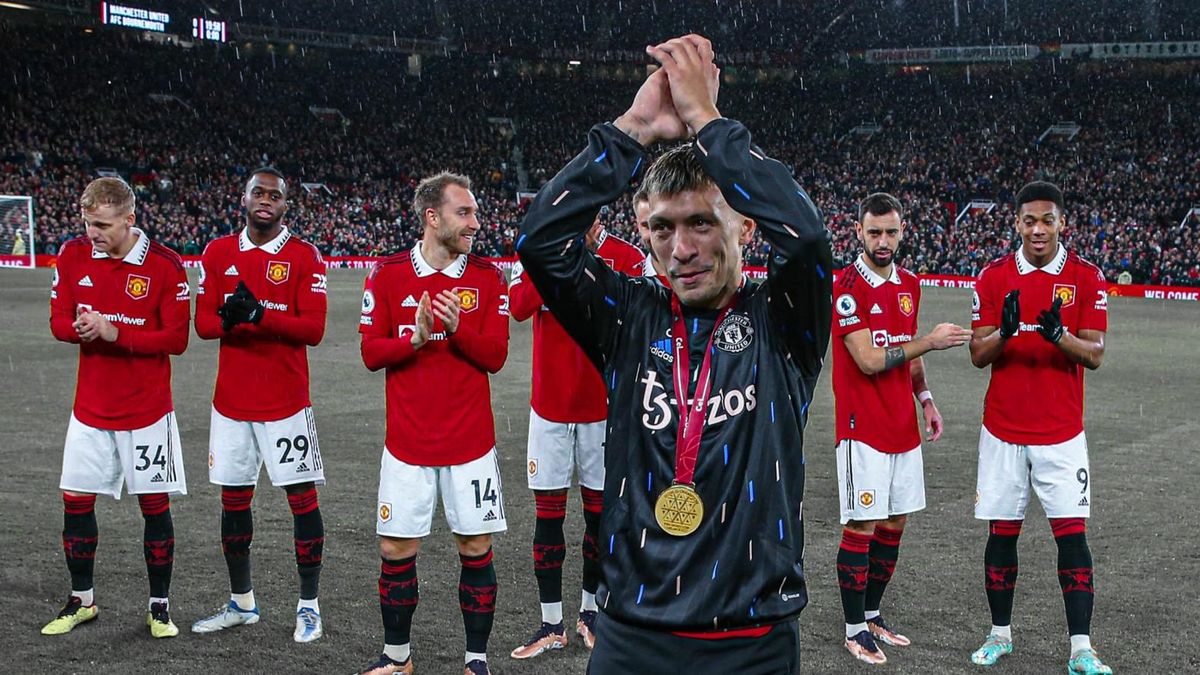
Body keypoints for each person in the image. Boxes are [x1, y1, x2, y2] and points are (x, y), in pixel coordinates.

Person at [517, 35, 831, 673]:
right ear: (644, 232)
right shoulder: (628, 315)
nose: (680, 247)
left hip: (753, 644)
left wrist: (712, 125)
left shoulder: (782, 321)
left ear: (744, 227)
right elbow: (541, 241)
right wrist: (632, 129)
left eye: (701, 222)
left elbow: (806, 240)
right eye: (662, 227)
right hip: (632, 637)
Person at [358, 172, 511, 675]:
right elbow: (370, 353)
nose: (475, 222)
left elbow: (495, 357)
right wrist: (416, 340)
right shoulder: (387, 275)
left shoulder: (488, 278)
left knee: (475, 548)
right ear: (432, 216)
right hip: (407, 444)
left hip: (471, 444)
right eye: (463, 213)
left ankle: (475, 662)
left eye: (474, 213)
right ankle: (397, 659)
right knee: (396, 549)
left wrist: (457, 329)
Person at [968, 181, 1112, 674]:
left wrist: (1058, 336)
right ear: (1016, 223)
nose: (1038, 229)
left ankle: (1081, 649)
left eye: (1047, 220)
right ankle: (999, 636)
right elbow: (976, 354)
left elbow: (1094, 354)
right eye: (1029, 220)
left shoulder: (1086, 277)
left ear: (1061, 223)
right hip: (1003, 431)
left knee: (1072, 537)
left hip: (1062, 433)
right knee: (1001, 534)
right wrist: (1006, 333)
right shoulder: (993, 276)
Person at [43, 176, 189, 638]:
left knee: (154, 507)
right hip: (90, 409)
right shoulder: (71, 256)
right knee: (76, 502)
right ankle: (81, 600)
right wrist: (80, 329)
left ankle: (159, 606)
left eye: (103, 225)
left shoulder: (166, 266)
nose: (93, 234)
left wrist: (115, 333)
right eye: (88, 224)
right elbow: (58, 322)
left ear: (130, 219)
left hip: (148, 412)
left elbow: (177, 339)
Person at [829, 192, 972, 664]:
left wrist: (926, 400)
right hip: (861, 428)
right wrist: (929, 342)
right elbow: (870, 360)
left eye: (891, 232)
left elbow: (905, 352)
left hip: (901, 426)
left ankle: (871, 613)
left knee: (894, 524)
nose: (883, 241)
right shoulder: (847, 287)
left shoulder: (910, 284)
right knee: (863, 524)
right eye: (874, 232)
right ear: (858, 232)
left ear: (903, 231)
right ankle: (853, 630)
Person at [191, 167, 329, 643]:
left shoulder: (304, 256)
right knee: (233, 503)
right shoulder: (218, 252)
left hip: (287, 403)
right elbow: (203, 326)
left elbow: (313, 329)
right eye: (258, 192)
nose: (266, 200)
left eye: (275, 195)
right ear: (244, 199)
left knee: (301, 502)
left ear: (286, 205)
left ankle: (309, 605)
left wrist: (261, 315)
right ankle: (241, 603)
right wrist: (233, 318)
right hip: (230, 404)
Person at [508, 215, 643, 659]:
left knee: (599, 521)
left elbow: (637, 321)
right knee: (547, 519)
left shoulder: (626, 259)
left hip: (604, 410)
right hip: (548, 409)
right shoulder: (537, 251)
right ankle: (550, 624)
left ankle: (590, 614)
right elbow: (518, 305)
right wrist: (557, 257)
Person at [632, 188, 667, 280]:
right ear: (638, 226)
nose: (653, 235)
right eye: (646, 226)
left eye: (661, 226)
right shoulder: (629, 280)